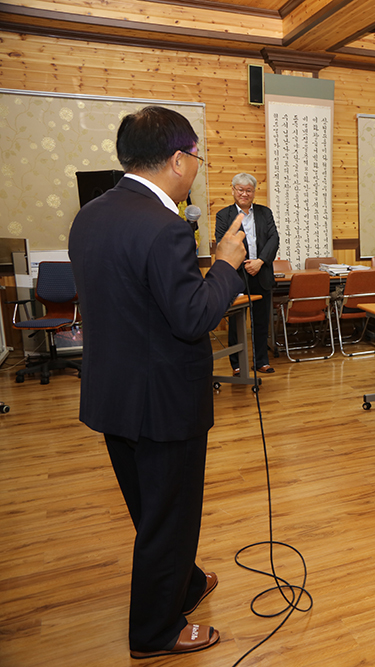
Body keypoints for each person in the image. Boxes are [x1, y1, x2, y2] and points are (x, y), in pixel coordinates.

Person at [68, 106, 247, 658]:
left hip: (113, 395)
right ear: (177, 159)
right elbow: (191, 317)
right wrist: (225, 265)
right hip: (163, 403)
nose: (198, 164)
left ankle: (186, 583)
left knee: (151, 507)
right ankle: (155, 632)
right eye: (197, 155)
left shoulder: (92, 216)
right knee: (168, 515)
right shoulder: (164, 226)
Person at [215, 173, 279, 374]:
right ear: (233, 190)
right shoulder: (223, 216)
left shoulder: (264, 213)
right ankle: (237, 364)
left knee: (261, 322)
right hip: (237, 276)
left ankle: (261, 361)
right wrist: (245, 264)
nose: (244, 193)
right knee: (236, 323)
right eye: (240, 189)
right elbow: (223, 243)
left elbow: (273, 239)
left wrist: (260, 262)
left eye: (248, 190)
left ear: (254, 192)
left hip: (261, 273)